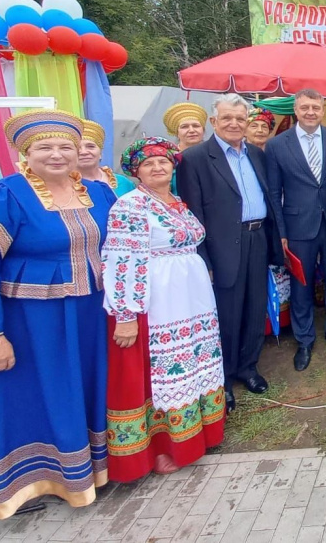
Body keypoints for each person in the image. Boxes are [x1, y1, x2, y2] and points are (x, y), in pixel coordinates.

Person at [0, 109, 116, 519]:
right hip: (31, 323)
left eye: (66, 146)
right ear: (24, 153)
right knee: (40, 394)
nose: (58, 154)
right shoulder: (2, 195)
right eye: (44, 147)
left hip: (91, 316)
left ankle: (90, 473)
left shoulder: (99, 193)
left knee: (86, 388)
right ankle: (32, 481)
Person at [102, 137, 225, 481]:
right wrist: (125, 315)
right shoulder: (130, 206)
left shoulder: (176, 203)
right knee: (166, 369)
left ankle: (200, 434)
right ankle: (164, 447)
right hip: (159, 300)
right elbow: (121, 262)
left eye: (163, 163)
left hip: (191, 296)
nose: (158, 168)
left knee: (196, 359)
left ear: (173, 168)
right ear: (136, 172)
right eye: (149, 164)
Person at [176, 94, 284, 413]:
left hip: (258, 238)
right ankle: (221, 380)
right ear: (214, 122)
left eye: (240, 118)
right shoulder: (195, 158)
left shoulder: (255, 153)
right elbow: (192, 213)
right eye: (227, 118)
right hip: (222, 244)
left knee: (254, 307)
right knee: (226, 314)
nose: (235, 124)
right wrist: (204, 259)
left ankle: (248, 368)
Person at [266, 88, 326, 371]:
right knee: (302, 284)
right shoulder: (278, 145)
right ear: (296, 110)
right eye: (305, 108)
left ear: (323, 110)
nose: (310, 112)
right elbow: (274, 193)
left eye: (315, 107)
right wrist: (282, 231)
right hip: (297, 225)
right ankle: (304, 339)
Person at [77, 119, 136, 195]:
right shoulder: (62, 185)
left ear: (100, 153)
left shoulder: (123, 183)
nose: (83, 152)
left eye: (90, 146)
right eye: (77, 148)